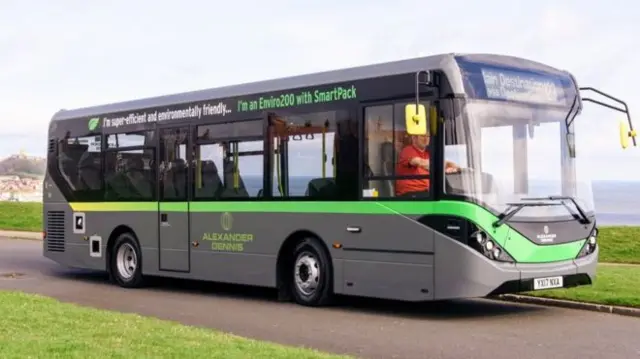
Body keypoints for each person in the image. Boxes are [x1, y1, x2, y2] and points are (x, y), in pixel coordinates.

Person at [395, 133, 459, 197]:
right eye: (422, 136)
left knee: (454, 194)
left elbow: (443, 165)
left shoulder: (427, 154)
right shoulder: (408, 150)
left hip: (426, 191)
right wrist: (444, 165)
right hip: (411, 193)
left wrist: (455, 168)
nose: (426, 139)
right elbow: (420, 162)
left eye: (428, 136)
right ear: (414, 138)